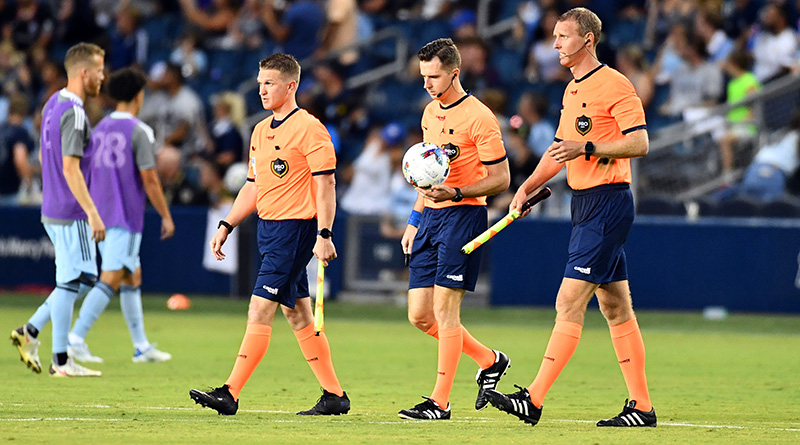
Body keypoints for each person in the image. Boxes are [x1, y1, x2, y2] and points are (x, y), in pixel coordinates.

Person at [483, 7, 655, 428]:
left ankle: (533, 399)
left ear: (587, 40)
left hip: (608, 202)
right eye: (554, 37)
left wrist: (590, 148)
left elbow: (640, 143)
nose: (554, 44)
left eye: (562, 37)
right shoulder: (572, 90)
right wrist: (525, 186)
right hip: (585, 205)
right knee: (615, 307)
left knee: (568, 300)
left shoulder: (616, 84)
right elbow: (560, 149)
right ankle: (642, 407)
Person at [189, 53, 349, 416]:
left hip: (297, 228)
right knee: (298, 315)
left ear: (291, 86)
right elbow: (252, 187)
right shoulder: (261, 130)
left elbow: (326, 186)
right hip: (270, 228)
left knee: (260, 307)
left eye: (269, 83)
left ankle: (230, 392)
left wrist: (324, 234)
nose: (261, 90)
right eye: (260, 82)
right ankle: (334, 395)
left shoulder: (310, 128)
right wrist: (227, 224)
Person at [397, 38, 512, 420]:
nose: (427, 84)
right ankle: (489, 360)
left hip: (463, 216)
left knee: (446, 312)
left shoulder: (479, 117)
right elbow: (426, 175)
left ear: (454, 73)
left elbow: (501, 178)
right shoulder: (430, 113)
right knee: (420, 316)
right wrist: (415, 219)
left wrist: (458, 191)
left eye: (434, 76)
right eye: (423, 77)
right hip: (430, 216)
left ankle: (439, 402)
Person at [65, 67, 175, 364]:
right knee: (113, 276)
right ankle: (74, 338)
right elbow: (150, 179)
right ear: (139, 96)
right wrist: (165, 215)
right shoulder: (139, 131)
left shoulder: (99, 127)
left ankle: (141, 346)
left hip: (99, 214)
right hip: (124, 216)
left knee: (130, 275)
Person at [10, 42, 106, 377]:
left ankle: (31, 331)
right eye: (99, 70)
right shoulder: (76, 113)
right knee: (73, 281)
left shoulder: (53, 102)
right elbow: (70, 168)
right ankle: (61, 360)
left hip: (53, 206)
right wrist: (92, 212)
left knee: (80, 279)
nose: (102, 77)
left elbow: (45, 156)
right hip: (71, 211)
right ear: (85, 72)